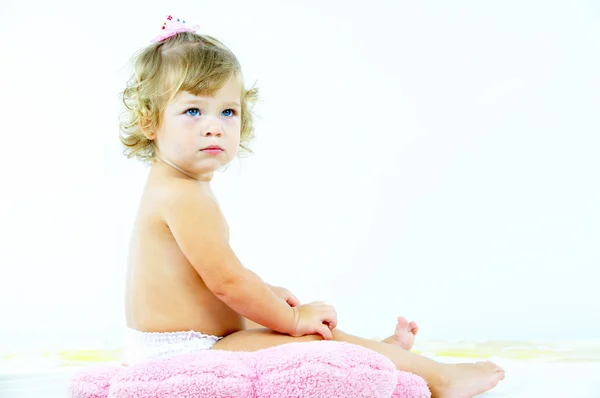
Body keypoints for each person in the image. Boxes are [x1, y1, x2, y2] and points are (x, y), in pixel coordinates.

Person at [119, 15, 504, 397]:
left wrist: (267, 293)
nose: (214, 126)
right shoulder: (183, 196)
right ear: (150, 122)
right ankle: (437, 378)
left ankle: (381, 355)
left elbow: (204, 273)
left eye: (227, 111)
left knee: (298, 334)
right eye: (192, 111)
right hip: (183, 353)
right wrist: (290, 316)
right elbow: (228, 282)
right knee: (312, 341)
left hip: (196, 341)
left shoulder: (174, 187)